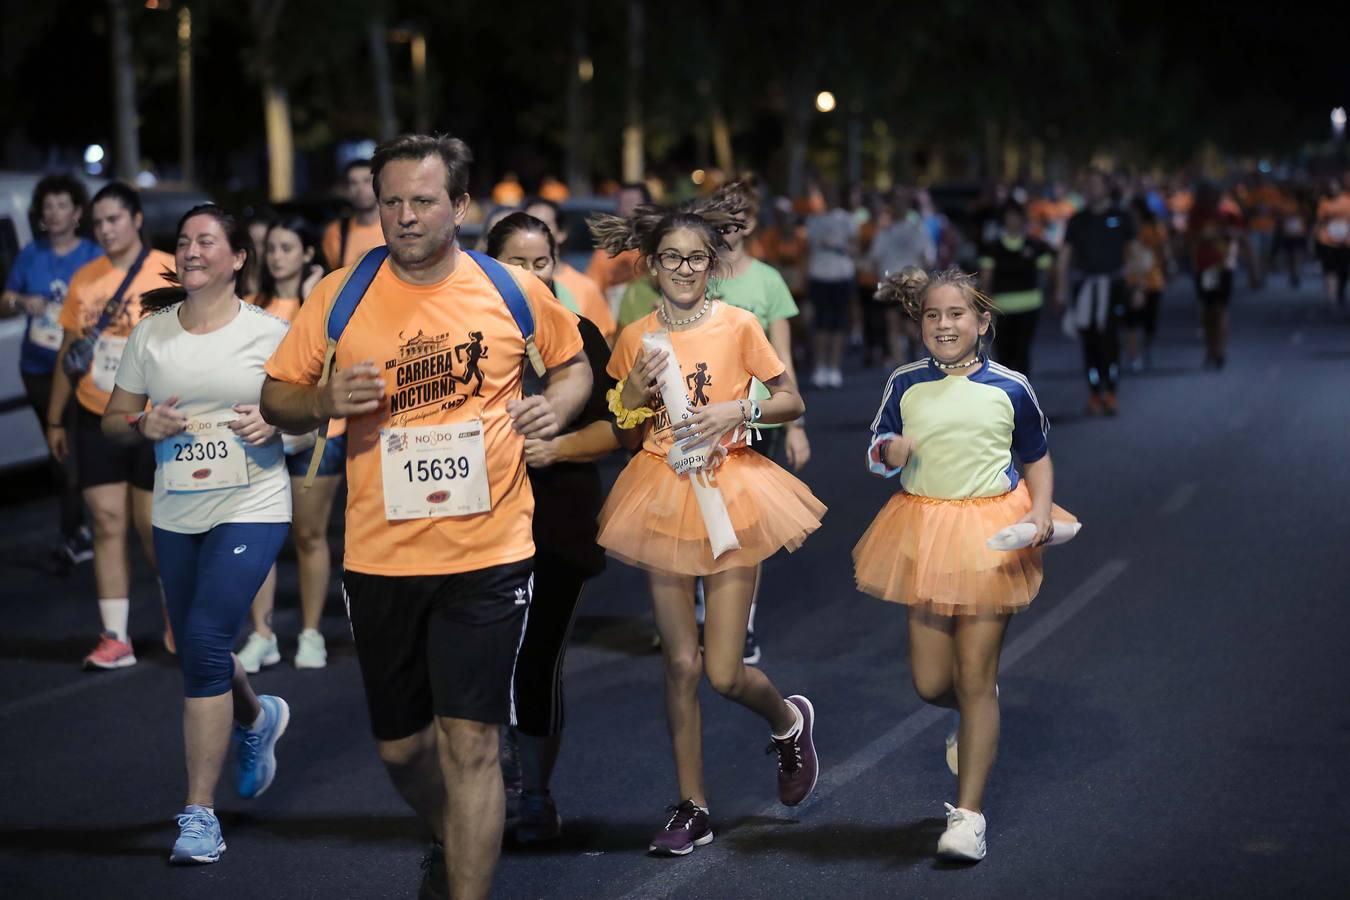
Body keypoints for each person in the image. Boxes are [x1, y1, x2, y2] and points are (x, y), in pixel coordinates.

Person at [260, 134, 590, 900]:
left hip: (490, 548)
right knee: (403, 750)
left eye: (423, 201)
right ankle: (452, 839)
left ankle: (466, 884)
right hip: (382, 556)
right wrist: (320, 402)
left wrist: (555, 408)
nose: (405, 217)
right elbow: (278, 395)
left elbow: (572, 364)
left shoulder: (509, 288)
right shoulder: (340, 294)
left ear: (461, 207)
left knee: (472, 744)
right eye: (392, 202)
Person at [589, 201, 824, 857]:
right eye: (672, 258)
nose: (685, 268)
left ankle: (787, 722)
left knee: (724, 670)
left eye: (696, 257)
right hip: (661, 491)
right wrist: (633, 385)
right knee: (680, 664)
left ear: (712, 263)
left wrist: (735, 408)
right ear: (653, 266)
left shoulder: (739, 324)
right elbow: (625, 411)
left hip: (731, 492)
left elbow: (791, 399)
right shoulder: (636, 333)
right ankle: (692, 805)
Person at [855, 266, 1069, 863]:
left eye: (956, 315)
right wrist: (890, 452)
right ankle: (979, 705)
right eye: (932, 315)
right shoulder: (904, 383)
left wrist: (1043, 511)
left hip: (990, 534)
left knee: (973, 677)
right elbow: (878, 452)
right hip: (923, 531)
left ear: (982, 322)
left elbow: (1038, 459)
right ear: (919, 323)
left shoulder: (1011, 386)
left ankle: (967, 817)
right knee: (930, 683)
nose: (944, 325)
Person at [102, 204, 292, 864]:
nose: (191, 251)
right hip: (177, 507)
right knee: (199, 650)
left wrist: (280, 427)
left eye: (206, 241)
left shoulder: (271, 333)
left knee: (207, 640)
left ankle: (199, 816)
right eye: (183, 242)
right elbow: (113, 416)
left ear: (238, 258)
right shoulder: (151, 334)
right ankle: (255, 716)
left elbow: (310, 415)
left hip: (254, 501)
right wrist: (140, 427)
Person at [486, 212, 622, 843]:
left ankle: (535, 794)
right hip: (474, 526)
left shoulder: (583, 333)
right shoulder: (466, 333)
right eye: (517, 263)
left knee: (538, 662)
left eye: (542, 263)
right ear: (489, 265)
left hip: (559, 525)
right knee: (482, 662)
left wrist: (556, 450)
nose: (533, 275)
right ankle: (490, 786)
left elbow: (620, 429)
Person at [50, 183, 176, 668]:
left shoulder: (166, 269)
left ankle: (176, 614)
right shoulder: (85, 279)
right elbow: (70, 353)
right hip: (95, 415)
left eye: (114, 220)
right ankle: (115, 636)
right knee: (104, 522)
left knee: (151, 527)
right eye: (98, 223)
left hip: (150, 417)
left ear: (136, 219)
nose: (105, 230)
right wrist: (55, 417)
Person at [688, 181, 813, 665]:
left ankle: (744, 625)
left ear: (753, 223)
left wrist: (797, 424)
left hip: (755, 420)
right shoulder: (696, 273)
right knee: (699, 519)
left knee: (746, 528)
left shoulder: (767, 281)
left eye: (740, 215)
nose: (730, 224)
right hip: (698, 416)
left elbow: (782, 358)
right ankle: (704, 612)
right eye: (720, 215)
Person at [237, 215, 340, 671]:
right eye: (272, 248)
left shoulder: (323, 304)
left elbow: (328, 375)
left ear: (308, 254)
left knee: (309, 534)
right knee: (259, 536)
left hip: (319, 435)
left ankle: (311, 632)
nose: (277, 257)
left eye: (287, 248)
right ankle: (262, 633)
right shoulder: (249, 304)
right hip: (261, 432)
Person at [1, 173, 103, 568]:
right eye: (48, 207)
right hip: (38, 368)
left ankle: (74, 532)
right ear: (40, 215)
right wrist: (22, 302)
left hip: (82, 369)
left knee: (73, 451)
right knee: (60, 449)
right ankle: (78, 530)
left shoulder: (93, 255)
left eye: (63, 205)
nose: (55, 213)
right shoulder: (30, 255)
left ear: (77, 212)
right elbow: (5, 299)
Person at [1056, 170, 1135, 416]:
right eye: (1088, 185)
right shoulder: (1077, 220)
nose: (1092, 190)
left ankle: (1111, 392)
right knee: (1089, 343)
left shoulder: (1120, 217)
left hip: (1112, 287)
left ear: (1106, 188)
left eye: (1096, 185)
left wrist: (1137, 284)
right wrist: (1061, 288)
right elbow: (1065, 256)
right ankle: (1094, 393)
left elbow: (1133, 253)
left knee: (1110, 340)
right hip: (1085, 288)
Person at [523, 197, 618, 342]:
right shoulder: (511, 282)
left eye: (542, 225)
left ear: (561, 233)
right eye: (527, 225)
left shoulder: (586, 288)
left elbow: (603, 347)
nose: (534, 233)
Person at [977, 203, 1052, 376]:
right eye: (1009, 217)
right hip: (1002, 307)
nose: (1013, 221)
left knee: (1022, 351)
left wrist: (1055, 291)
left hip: (1030, 305)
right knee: (1004, 352)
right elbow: (986, 278)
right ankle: (1006, 392)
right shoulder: (993, 248)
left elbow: (1049, 272)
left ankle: (1022, 389)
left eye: (1016, 217)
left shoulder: (1035, 246)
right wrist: (984, 304)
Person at [870, 189, 936, 367]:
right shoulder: (885, 232)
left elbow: (928, 256)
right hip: (892, 282)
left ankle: (914, 351)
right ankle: (900, 363)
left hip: (913, 283)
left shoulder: (916, 229)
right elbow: (875, 258)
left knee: (911, 324)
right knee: (892, 322)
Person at [804, 184, 858, 388]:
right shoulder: (813, 220)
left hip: (841, 275)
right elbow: (808, 249)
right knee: (820, 324)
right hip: (818, 275)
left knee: (838, 323)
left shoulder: (846, 219)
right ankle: (820, 366)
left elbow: (855, 247)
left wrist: (839, 246)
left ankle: (834, 367)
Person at [1187, 183, 1242, 369]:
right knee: (1208, 309)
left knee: (1221, 309)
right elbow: (1191, 237)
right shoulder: (1196, 214)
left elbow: (1239, 234)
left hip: (1223, 265)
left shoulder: (1228, 212)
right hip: (1205, 267)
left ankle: (1220, 349)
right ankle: (1210, 348)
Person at [586, 182, 651, 314]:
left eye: (633, 202)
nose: (628, 209)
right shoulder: (605, 253)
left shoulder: (660, 249)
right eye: (623, 203)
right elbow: (591, 293)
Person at [1123, 197, 1170, 371]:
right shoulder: (1124, 231)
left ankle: (1148, 347)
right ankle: (1133, 355)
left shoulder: (1153, 228)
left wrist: (1168, 267)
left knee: (1150, 321)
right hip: (1131, 282)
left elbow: (1163, 250)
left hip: (1153, 281)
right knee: (1132, 321)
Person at [322, 159, 385, 270]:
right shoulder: (335, 232)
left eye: (367, 181)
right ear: (346, 190)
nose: (360, 189)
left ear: (379, 185)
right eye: (353, 183)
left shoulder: (395, 227)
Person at [1314, 179, 1350, 308]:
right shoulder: (1324, 202)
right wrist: (1315, 237)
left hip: (1345, 241)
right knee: (1330, 269)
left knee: (1343, 270)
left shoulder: (1347, 201)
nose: (1332, 190)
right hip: (1327, 240)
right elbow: (1320, 220)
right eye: (1330, 187)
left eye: (1334, 187)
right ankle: (1332, 297)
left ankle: (1340, 291)